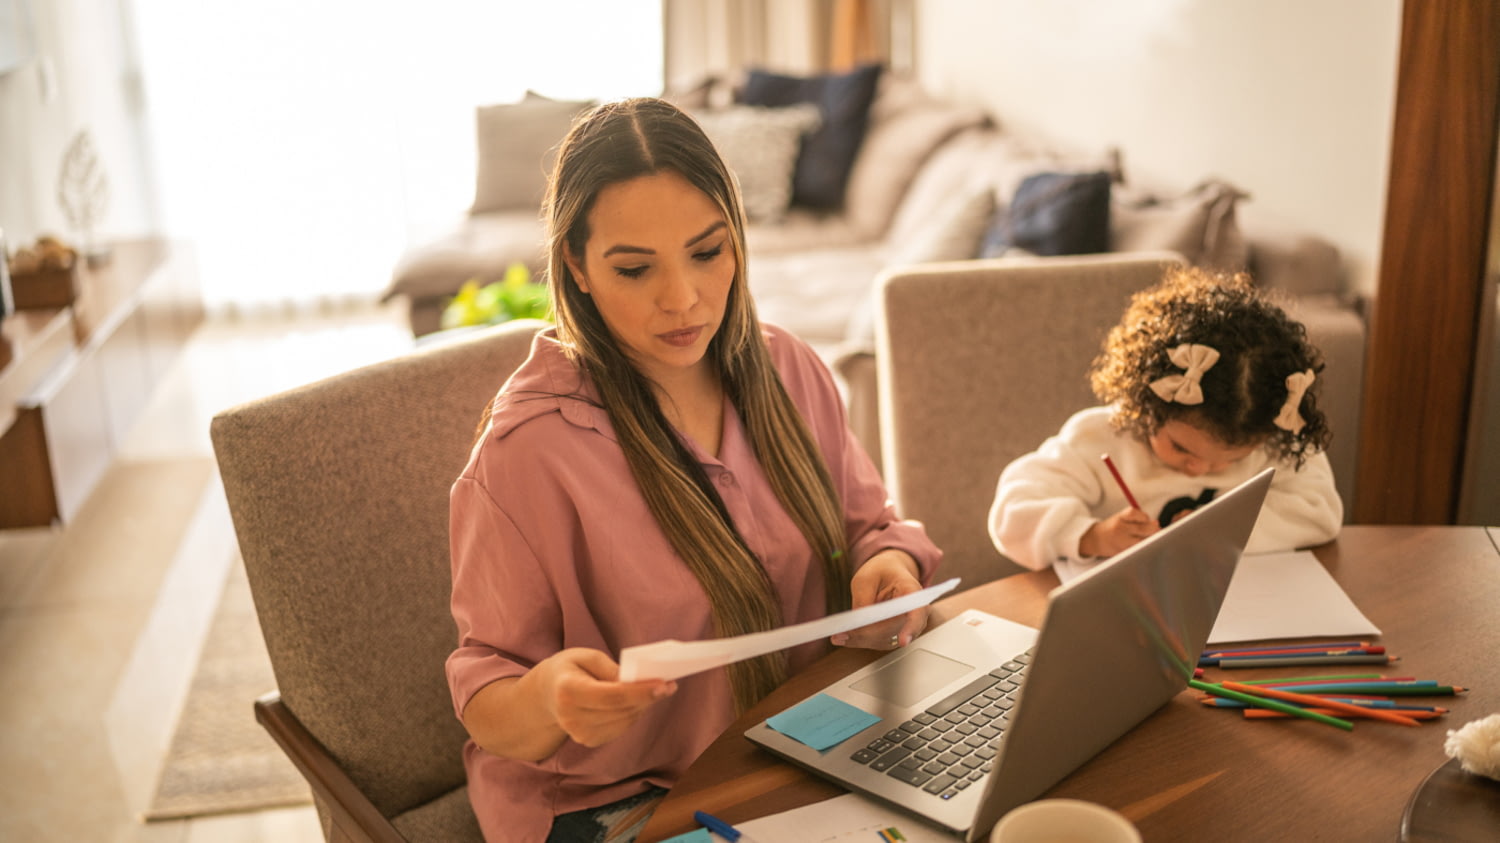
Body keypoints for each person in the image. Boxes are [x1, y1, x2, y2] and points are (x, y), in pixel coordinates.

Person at [445, 97, 943, 843]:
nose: (682, 299)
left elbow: (870, 526)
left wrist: (891, 569)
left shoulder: (788, 369)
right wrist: (550, 697)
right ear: (575, 265)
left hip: (795, 746)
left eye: (707, 253)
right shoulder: (527, 455)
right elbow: (486, 690)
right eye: (635, 268)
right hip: (611, 799)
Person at [988, 265, 1342, 583]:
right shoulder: (1102, 437)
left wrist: (1213, 533)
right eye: (1181, 447)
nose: (1199, 468)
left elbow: (1318, 512)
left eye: (1230, 460)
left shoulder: (1275, 441)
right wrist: (1090, 535)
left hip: (1239, 612)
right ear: (1148, 404)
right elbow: (1013, 510)